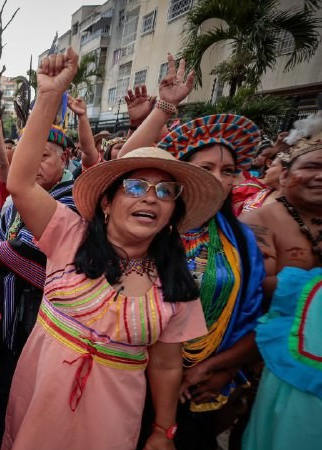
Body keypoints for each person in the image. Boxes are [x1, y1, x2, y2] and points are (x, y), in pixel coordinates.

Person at [1, 48, 219, 450]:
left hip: (112, 418)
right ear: (107, 201)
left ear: (173, 212)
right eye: (136, 187)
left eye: (165, 192)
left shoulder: (175, 279)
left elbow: (168, 365)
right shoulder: (69, 234)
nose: (150, 199)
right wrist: (49, 95)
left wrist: (162, 430)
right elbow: (20, 183)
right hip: (40, 398)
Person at [123, 55, 266, 450]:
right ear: (183, 173)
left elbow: (254, 314)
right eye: (206, 167)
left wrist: (220, 368)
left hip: (204, 387)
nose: (219, 178)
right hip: (133, 377)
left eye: (228, 170)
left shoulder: (242, 241)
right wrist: (158, 112)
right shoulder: (150, 228)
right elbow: (121, 169)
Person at [0, 118, 76, 442]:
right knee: (9, 388)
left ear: (65, 159)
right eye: (30, 154)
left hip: (41, 319)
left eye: (45, 156)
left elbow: (30, 249)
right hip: (14, 315)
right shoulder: (20, 200)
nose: (35, 164)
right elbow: (4, 234)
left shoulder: (71, 197)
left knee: (29, 394)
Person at [238, 126, 322, 450]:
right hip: (263, 356)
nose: (320, 177)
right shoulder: (259, 221)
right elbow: (257, 287)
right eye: (311, 167)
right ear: (284, 174)